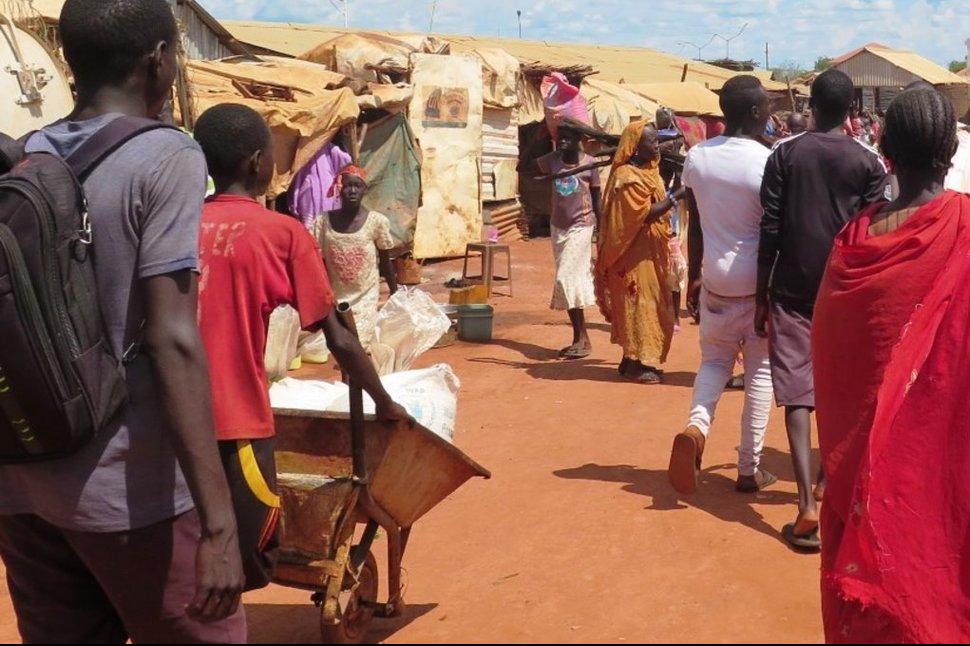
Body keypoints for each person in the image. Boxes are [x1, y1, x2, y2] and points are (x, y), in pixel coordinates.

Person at [0, 1, 246, 642]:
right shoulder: (168, 155)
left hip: (23, 483)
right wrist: (220, 525)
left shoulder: (25, 156)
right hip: (127, 491)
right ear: (158, 59)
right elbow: (171, 339)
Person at [193, 103, 409, 592]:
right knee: (245, 562)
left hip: (164, 420)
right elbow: (339, 338)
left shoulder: (175, 224)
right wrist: (384, 402)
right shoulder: (281, 232)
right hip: (234, 424)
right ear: (256, 162)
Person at [813, 87, 970, 643]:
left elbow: (831, 355)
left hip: (862, 463)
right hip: (938, 459)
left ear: (885, 150)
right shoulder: (963, 227)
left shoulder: (853, 242)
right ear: (951, 148)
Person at [757, 69, 889, 550]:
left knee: (798, 393)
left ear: (811, 105)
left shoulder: (785, 153)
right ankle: (827, 483)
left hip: (791, 289)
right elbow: (873, 234)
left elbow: (770, 227)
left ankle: (805, 508)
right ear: (852, 110)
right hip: (846, 290)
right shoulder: (869, 162)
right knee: (839, 387)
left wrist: (760, 292)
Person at [668, 76, 776, 495]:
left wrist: (695, 276)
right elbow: (773, 231)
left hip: (714, 280)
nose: (770, 113)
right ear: (754, 112)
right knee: (759, 372)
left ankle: (696, 429)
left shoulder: (698, 157)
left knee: (714, 363)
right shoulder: (768, 162)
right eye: (766, 107)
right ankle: (749, 469)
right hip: (757, 285)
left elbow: (695, 224)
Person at [595, 121, 682, 383]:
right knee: (639, 303)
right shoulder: (626, 177)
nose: (656, 145)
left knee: (647, 300)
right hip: (631, 255)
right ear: (635, 146)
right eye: (651, 141)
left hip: (650, 252)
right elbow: (642, 215)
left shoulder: (650, 172)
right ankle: (638, 362)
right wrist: (677, 195)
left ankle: (630, 359)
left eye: (656, 140)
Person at [521, 124, 602, 359]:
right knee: (571, 281)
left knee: (565, 278)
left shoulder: (590, 163)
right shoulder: (552, 160)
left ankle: (582, 338)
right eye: (560, 137)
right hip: (558, 227)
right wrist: (537, 139)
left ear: (579, 139)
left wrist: (602, 231)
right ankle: (580, 339)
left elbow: (597, 199)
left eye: (568, 138)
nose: (562, 141)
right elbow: (522, 167)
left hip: (582, 226)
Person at [314, 166, 398, 348]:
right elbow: (317, 261)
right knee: (329, 343)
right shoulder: (323, 222)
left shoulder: (376, 222)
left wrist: (394, 290)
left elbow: (385, 261)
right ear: (339, 189)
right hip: (335, 296)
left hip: (365, 296)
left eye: (357, 186)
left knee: (358, 340)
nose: (352, 191)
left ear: (364, 189)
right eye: (347, 186)